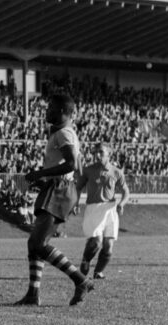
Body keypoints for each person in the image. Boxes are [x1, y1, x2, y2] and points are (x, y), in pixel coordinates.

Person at [16, 93, 92, 307]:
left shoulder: (64, 134)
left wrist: (40, 174)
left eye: (50, 108)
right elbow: (77, 167)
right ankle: (33, 294)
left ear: (60, 111)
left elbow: (70, 165)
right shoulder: (64, 133)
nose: (46, 111)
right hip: (57, 188)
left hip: (59, 189)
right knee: (35, 244)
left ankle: (80, 280)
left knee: (38, 243)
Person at [76, 142, 130, 280]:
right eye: (96, 153)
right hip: (94, 209)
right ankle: (85, 260)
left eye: (101, 152)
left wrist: (122, 204)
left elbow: (126, 192)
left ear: (108, 154)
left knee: (108, 246)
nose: (97, 155)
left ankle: (98, 272)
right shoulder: (88, 170)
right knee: (96, 242)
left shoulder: (116, 172)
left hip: (110, 209)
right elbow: (78, 188)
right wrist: (75, 203)